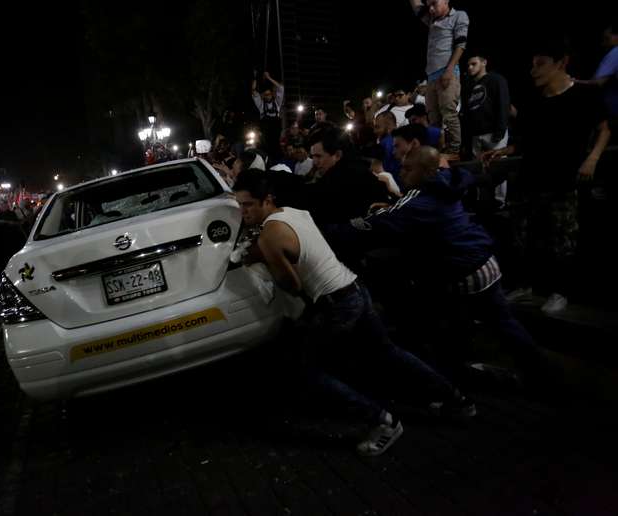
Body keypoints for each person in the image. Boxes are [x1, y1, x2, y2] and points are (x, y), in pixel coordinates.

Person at [233, 169, 474, 456]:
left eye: (248, 204)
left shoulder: (268, 236)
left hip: (336, 304)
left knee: (307, 369)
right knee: (386, 350)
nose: (242, 211)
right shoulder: (294, 213)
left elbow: (292, 284)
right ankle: (456, 399)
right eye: (239, 205)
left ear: (267, 200)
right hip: (354, 287)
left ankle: (381, 421)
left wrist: (262, 263)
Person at [332, 147, 546, 383]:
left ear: (426, 172)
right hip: (485, 263)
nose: (401, 172)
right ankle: (540, 372)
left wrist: (323, 232)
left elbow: (374, 226)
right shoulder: (446, 179)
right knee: (501, 322)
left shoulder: (418, 202)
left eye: (408, 168)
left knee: (435, 321)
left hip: (464, 272)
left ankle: (448, 379)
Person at [483, 37, 611, 313]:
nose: (533, 71)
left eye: (540, 65)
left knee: (562, 239)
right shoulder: (535, 100)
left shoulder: (584, 95)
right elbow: (527, 140)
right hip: (531, 177)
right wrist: (502, 151)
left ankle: (560, 292)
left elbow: (604, 129)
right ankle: (526, 286)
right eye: (532, 65)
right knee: (522, 236)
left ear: (561, 63)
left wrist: (593, 157)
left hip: (564, 180)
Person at [409, 0, 469, 159]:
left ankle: (454, 150)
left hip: (446, 72)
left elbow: (460, 45)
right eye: (429, 5)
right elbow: (416, 6)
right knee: (433, 116)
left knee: (448, 112)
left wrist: (449, 70)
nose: (431, 8)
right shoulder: (432, 20)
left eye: (434, 3)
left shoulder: (459, 16)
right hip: (431, 76)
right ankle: (436, 149)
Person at [462, 52, 511, 206]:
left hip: (493, 131)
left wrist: (500, 129)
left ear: (484, 63)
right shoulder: (469, 85)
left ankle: (499, 201)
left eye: (473, 64)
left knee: (497, 165)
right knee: (478, 166)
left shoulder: (495, 79)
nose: (470, 68)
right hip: (476, 134)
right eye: (468, 65)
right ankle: (480, 199)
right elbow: (467, 111)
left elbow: (503, 104)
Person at [252, 71, 285, 160]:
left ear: (271, 94)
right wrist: (255, 77)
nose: (268, 96)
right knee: (264, 148)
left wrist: (269, 78)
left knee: (276, 148)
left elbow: (281, 88)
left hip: (275, 129)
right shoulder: (261, 105)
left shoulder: (277, 103)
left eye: (269, 94)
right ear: (263, 96)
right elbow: (254, 92)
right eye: (265, 95)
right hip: (265, 131)